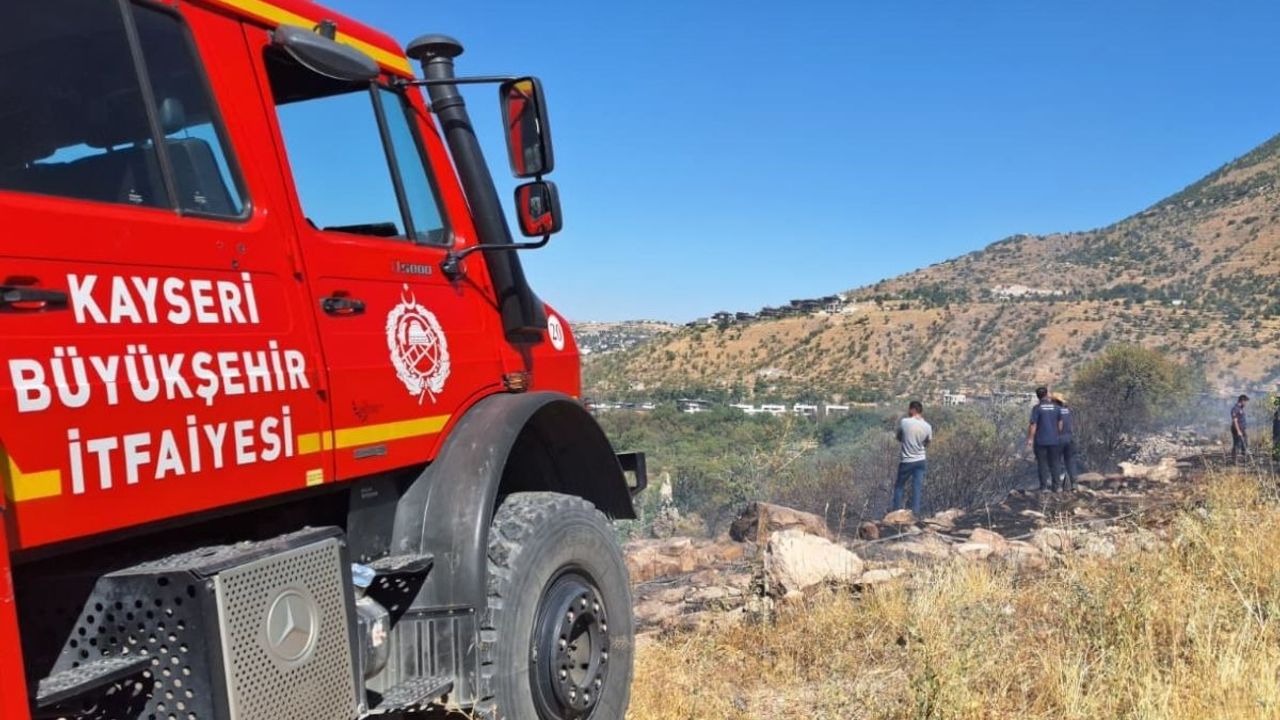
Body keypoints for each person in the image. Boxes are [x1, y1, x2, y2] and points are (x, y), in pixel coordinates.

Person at [891, 400, 933, 517]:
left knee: (899, 486)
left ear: (912, 410)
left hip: (907, 460)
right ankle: (916, 514)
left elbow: (899, 437)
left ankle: (896, 513)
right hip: (920, 460)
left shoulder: (905, 422)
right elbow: (927, 443)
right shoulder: (928, 426)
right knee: (917, 488)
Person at [1027, 386, 1063, 492]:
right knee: (1055, 463)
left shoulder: (1036, 408)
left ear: (1038, 396)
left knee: (1042, 463)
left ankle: (1044, 487)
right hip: (1054, 440)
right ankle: (1057, 486)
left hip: (1040, 441)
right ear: (1047, 394)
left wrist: (1030, 439)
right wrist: (1057, 434)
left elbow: (1033, 425)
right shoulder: (1057, 408)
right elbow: (1060, 424)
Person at [1053, 392, 1078, 491]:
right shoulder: (1067, 411)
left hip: (1058, 439)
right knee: (1070, 462)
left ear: (1055, 401)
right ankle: (1074, 485)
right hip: (1069, 439)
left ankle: (1057, 486)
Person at [1231, 394, 1249, 463]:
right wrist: (1238, 431)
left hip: (1243, 429)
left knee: (1245, 443)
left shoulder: (1241, 409)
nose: (1246, 403)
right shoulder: (1235, 409)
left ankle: (1244, 459)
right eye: (1245, 402)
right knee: (1237, 444)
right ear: (1242, 401)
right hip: (1236, 429)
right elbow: (1235, 421)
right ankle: (1234, 461)